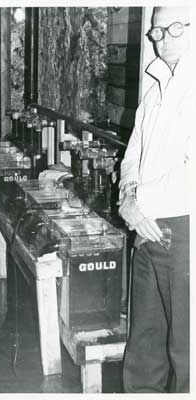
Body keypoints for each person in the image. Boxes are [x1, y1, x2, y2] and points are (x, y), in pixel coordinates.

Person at [118, 6, 191, 393]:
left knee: (187, 353)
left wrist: (138, 201)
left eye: (176, 27)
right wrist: (127, 199)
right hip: (146, 229)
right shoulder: (155, 86)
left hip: (185, 230)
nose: (164, 39)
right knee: (143, 346)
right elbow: (132, 155)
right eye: (157, 32)